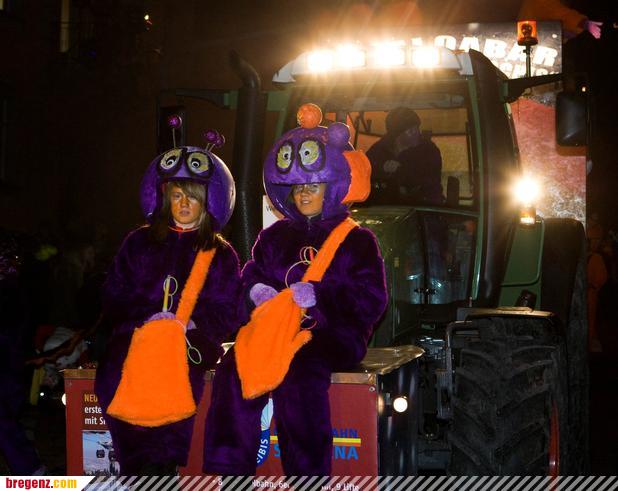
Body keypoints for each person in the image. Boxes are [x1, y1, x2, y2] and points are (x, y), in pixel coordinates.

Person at [203, 103, 388, 476]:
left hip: (331, 335)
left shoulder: (357, 239)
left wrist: (321, 298)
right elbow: (251, 276)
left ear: (331, 187)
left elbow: (372, 299)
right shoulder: (274, 236)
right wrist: (257, 293)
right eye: (299, 186)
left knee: (299, 373)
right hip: (277, 332)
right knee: (234, 365)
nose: (304, 194)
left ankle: (307, 475)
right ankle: (230, 470)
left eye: (313, 186)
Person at [94, 131, 241, 475]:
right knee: (113, 377)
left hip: (187, 345)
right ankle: (137, 468)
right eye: (177, 195)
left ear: (207, 201)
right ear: (165, 199)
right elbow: (114, 293)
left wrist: (192, 325)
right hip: (135, 338)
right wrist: (144, 319)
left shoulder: (220, 253)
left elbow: (228, 310)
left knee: (170, 417)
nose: (184, 204)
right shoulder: (138, 242)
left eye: (193, 196)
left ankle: (161, 468)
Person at [0, 230, 46, 475]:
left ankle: (31, 470)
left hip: (9, 362)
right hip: (12, 364)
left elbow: (15, 329)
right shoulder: (14, 288)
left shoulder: (11, 290)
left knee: (5, 421)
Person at [366, 107, 443, 205]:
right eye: (411, 130)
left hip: (424, 207)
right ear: (397, 135)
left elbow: (430, 180)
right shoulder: (379, 150)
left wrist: (400, 171)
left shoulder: (429, 150)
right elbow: (364, 172)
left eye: (417, 128)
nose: (417, 133)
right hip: (383, 208)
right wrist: (382, 167)